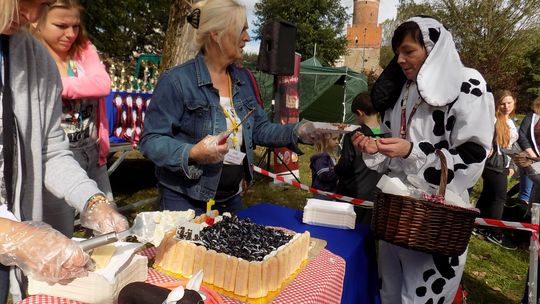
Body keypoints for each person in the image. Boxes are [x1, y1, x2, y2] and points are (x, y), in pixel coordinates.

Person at [351, 16, 494, 303]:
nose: (401, 60)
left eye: (409, 51)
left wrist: (412, 152)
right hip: (397, 218)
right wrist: (376, 150)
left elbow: (473, 159)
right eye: (398, 53)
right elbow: (395, 155)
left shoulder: (467, 84)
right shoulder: (401, 92)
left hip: (436, 226)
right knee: (389, 294)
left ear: (433, 49)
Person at [0, 0, 128, 302]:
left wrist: (92, 199)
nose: (32, 16)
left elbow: (50, 150)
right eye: (23, 2)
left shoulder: (36, 59)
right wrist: (14, 234)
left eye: (41, 4)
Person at [139, 0, 318, 216]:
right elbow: (151, 141)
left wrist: (298, 131)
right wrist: (193, 152)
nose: (247, 38)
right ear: (216, 33)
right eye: (241, 29)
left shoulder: (242, 79)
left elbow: (259, 129)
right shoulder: (177, 81)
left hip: (231, 199)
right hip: (185, 202)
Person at [31, 0, 113, 238]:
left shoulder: (84, 49)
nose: (70, 34)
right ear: (37, 19)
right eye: (60, 25)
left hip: (92, 153)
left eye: (75, 26)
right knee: (59, 236)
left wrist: (55, 86)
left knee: (107, 229)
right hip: (54, 158)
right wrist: (78, 86)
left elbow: (102, 84)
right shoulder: (32, 55)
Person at [475, 90, 518, 250]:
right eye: (503, 103)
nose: (506, 106)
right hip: (492, 163)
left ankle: (477, 222)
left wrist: (513, 166)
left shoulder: (513, 122)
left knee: (488, 194)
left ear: (514, 102)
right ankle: (494, 230)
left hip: (505, 164)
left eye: (509, 103)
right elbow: (483, 137)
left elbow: (513, 146)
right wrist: (488, 146)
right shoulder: (493, 120)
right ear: (497, 104)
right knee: (500, 197)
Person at [334, 92, 382, 224]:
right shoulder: (389, 134)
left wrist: (334, 170)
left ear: (360, 113)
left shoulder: (355, 136)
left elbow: (345, 165)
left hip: (352, 193)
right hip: (376, 193)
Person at [517, 97, 540, 206]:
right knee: (527, 192)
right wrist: (532, 155)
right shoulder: (532, 117)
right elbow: (521, 136)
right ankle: (522, 219)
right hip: (530, 159)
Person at [310, 133, 339, 200]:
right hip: (322, 193)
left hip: (331, 192)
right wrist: (338, 170)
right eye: (334, 139)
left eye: (338, 139)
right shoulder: (321, 157)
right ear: (324, 140)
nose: (337, 142)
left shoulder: (331, 156)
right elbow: (324, 175)